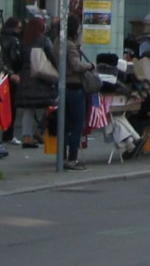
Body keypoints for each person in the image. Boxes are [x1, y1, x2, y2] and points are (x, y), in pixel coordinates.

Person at [14, 16, 58, 149]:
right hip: (41, 79)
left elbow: (19, 60)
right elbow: (52, 56)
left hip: (26, 79)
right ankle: (40, 130)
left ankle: (26, 137)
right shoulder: (44, 40)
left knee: (28, 109)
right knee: (53, 103)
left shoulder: (24, 42)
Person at [60, 13, 95, 171]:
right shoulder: (70, 45)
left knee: (64, 124)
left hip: (62, 86)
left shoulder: (57, 42)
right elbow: (76, 66)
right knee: (77, 125)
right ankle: (72, 158)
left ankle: (62, 157)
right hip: (74, 86)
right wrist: (90, 65)